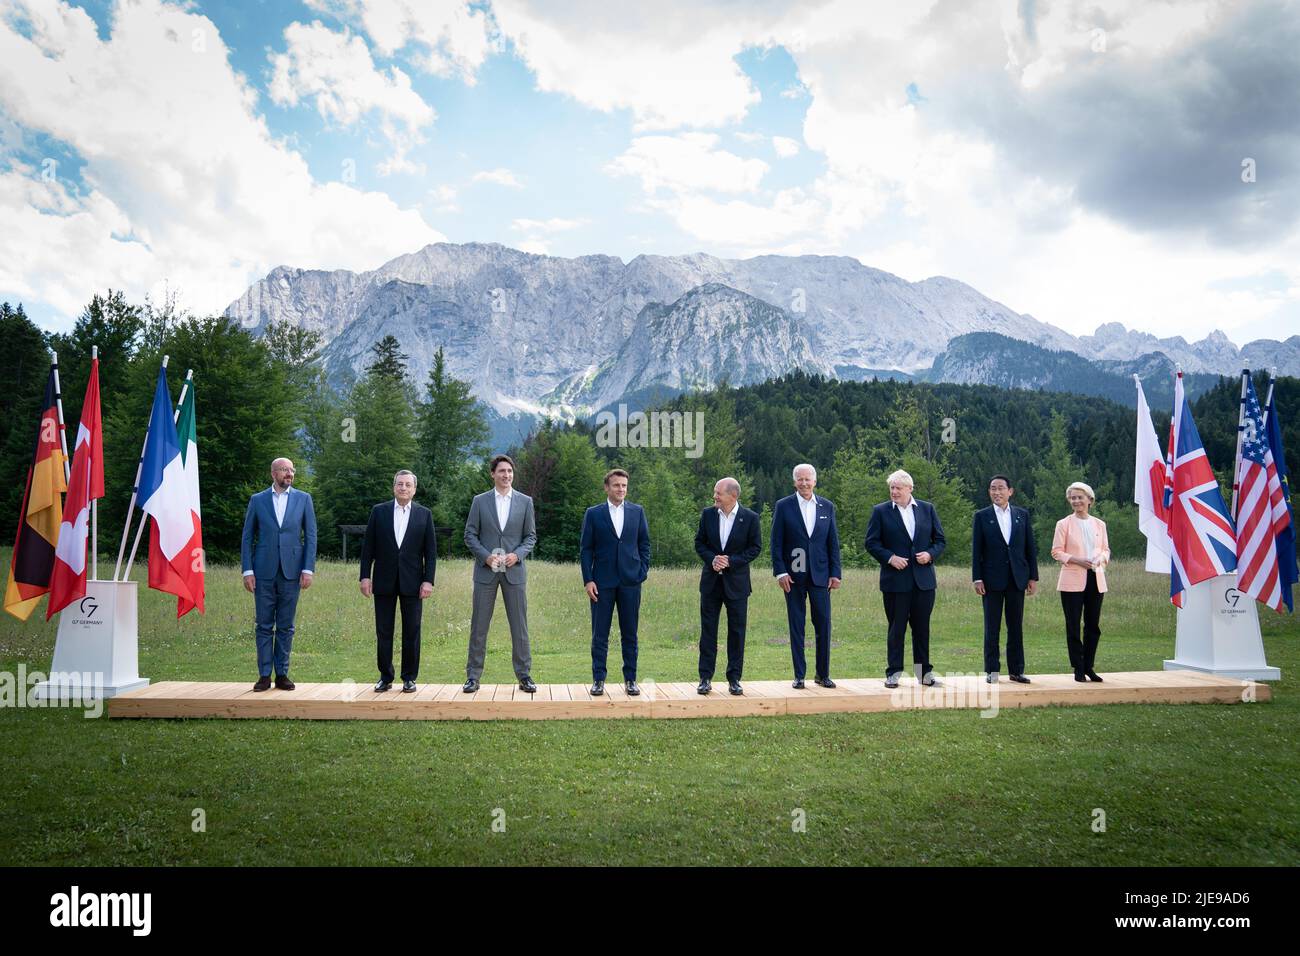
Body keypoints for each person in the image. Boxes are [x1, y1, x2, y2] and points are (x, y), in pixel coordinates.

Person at [462, 455, 538, 694]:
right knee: (479, 626)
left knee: (520, 626)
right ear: (492, 474)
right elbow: (470, 535)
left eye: (510, 471)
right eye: (502, 471)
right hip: (486, 573)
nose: (506, 475)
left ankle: (524, 676)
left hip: (514, 572)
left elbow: (531, 537)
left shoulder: (525, 502)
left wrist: (518, 555)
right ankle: (473, 677)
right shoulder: (480, 501)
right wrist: (485, 556)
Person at [240, 457, 317, 692]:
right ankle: (264, 675)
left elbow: (311, 536)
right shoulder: (258, 500)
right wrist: (247, 570)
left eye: (292, 470)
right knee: (263, 625)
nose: (290, 474)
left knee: (286, 625)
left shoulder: (304, 499)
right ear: (273, 473)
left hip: (292, 572)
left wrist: (307, 569)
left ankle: (282, 674)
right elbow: (246, 537)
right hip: (262, 571)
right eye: (285, 470)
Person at [865, 469, 946, 688]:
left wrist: (930, 554)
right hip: (895, 581)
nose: (894, 491)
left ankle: (924, 673)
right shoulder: (880, 511)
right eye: (892, 487)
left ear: (910, 488)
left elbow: (940, 540)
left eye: (898, 488)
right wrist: (890, 558)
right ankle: (893, 672)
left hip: (923, 581)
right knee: (896, 628)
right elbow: (871, 542)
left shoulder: (927, 510)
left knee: (922, 628)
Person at [359, 470, 437, 693]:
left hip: (413, 582)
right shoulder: (379, 512)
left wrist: (428, 581)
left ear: (414, 489)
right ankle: (385, 676)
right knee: (384, 631)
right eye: (400, 484)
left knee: (412, 630)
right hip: (383, 581)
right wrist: (365, 576)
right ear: (394, 487)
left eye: (407, 485)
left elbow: (430, 553)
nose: (403, 488)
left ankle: (409, 677)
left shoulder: (424, 514)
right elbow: (368, 549)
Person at [580, 469, 651, 697]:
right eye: (616, 485)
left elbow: (644, 544)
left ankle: (630, 679)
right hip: (602, 582)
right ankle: (598, 680)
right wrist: (588, 579)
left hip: (631, 581)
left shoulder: (637, 512)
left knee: (630, 633)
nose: (621, 489)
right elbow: (585, 549)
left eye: (624, 486)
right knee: (599, 634)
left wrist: (642, 572)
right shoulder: (593, 514)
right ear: (607, 487)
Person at [770, 463, 842, 688]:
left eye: (807, 479)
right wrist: (780, 571)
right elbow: (776, 542)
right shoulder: (784, 506)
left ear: (815, 481)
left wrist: (835, 573)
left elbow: (833, 543)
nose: (804, 483)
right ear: (794, 482)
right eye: (799, 479)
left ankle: (822, 674)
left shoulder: (826, 507)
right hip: (792, 577)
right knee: (797, 625)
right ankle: (799, 675)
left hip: (821, 576)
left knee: (823, 625)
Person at [694, 477, 762, 696]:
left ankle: (734, 679)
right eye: (715, 492)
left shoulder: (750, 518)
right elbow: (699, 543)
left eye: (718, 493)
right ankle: (705, 678)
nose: (714, 496)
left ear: (733, 496)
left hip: (737, 585)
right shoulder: (707, 514)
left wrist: (731, 561)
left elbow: (755, 548)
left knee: (736, 632)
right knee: (708, 632)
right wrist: (713, 558)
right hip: (711, 584)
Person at [972, 475, 1039, 683]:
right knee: (992, 627)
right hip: (991, 580)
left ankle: (1016, 670)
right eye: (993, 488)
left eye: (1001, 488)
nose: (997, 492)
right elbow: (977, 550)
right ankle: (992, 671)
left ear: (1010, 491)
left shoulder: (1022, 515)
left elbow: (1030, 548)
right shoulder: (982, 516)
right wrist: (977, 578)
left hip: (1017, 578)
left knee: (1015, 626)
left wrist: (1033, 577)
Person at [1051, 481, 1110, 682]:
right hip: (1072, 580)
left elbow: (1106, 550)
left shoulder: (1100, 524)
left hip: (1096, 578)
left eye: (1080, 497)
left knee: (1093, 625)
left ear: (1090, 500)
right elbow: (1056, 552)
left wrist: (1101, 559)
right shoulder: (1063, 524)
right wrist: (1077, 560)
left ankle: (1089, 666)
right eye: (1073, 498)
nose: (1076, 501)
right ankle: (1077, 667)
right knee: (1073, 625)